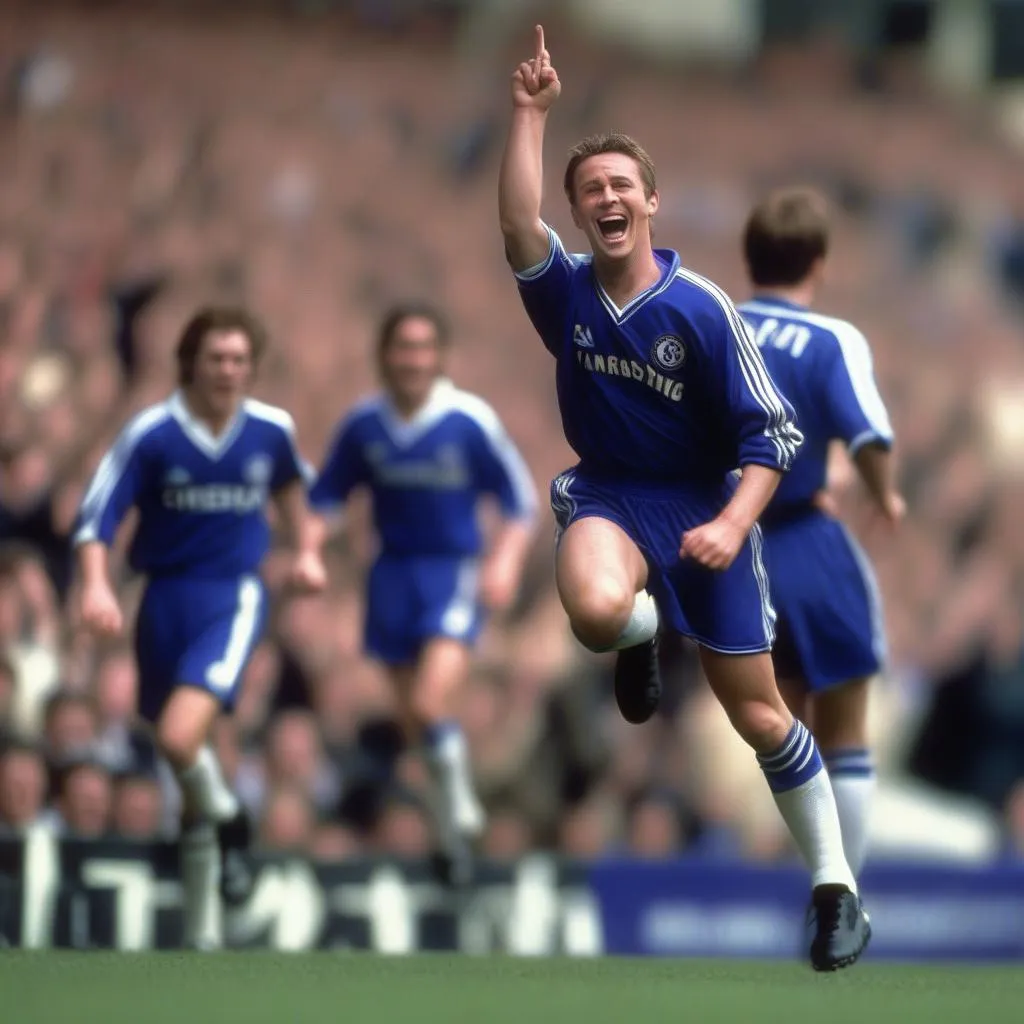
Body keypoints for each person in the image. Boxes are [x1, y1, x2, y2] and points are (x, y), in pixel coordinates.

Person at [498, 25, 869, 970]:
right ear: (579, 213)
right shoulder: (568, 295)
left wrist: (732, 523)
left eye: (622, 184)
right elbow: (513, 228)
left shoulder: (702, 309)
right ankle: (634, 637)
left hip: (708, 511)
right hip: (615, 497)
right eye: (591, 191)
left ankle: (836, 891)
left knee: (757, 715)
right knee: (590, 607)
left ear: (651, 201)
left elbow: (773, 436)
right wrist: (530, 115)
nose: (607, 198)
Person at [72, 306, 326, 949]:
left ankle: (232, 813)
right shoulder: (153, 434)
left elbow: (300, 499)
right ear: (191, 362)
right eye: (217, 358)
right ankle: (202, 934)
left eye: (240, 360)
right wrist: (97, 584)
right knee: (183, 759)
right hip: (161, 601)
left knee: (184, 740)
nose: (229, 371)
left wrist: (307, 552)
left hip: (232, 598)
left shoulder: (270, 431)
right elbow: (97, 516)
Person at [308, 302, 537, 884]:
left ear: (440, 357)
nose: (412, 360)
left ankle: (461, 808)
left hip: (451, 571)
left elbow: (519, 501)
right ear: (384, 356)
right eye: (402, 348)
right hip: (390, 577)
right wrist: (309, 548)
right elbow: (328, 497)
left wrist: (505, 562)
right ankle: (447, 830)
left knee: (433, 702)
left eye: (422, 348)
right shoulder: (364, 426)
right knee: (415, 720)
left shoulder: (467, 421)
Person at [738, 187, 904, 881]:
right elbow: (868, 433)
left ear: (750, 258)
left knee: (782, 727)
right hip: (807, 539)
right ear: (820, 263)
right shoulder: (831, 338)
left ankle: (810, 877)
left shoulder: (714, 323)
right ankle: (842, 896)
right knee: (846, 733)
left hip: (731, 547)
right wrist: (884, 494)